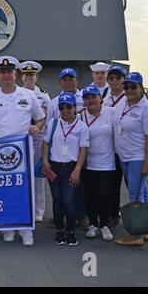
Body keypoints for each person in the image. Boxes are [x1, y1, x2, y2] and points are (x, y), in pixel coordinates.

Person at [0, 56, 45, 246]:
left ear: (15, 74)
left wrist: (36, 128)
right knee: (4, 189)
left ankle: (26, 230)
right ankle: (7, 227)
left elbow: (40, 118)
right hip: (0, 152)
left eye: (10, 71)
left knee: (24, 190)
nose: (6, 75)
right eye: (3, 72)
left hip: (24, 151)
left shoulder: (28, 95)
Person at [113, 73, 148, 246]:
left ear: (141, 88)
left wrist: (147, 163)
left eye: (133, 87)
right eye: (126, 87)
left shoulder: (147, 108)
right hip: (126, 156)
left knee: (135, 194)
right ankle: (146, 228)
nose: (129, 90)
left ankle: (136, 234)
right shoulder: (123, 103)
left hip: (139, 157)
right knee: (143, 193)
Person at [42, 93, 89, 246]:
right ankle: (59, 231)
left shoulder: (81, 127)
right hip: (54, 166)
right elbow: (45, 143)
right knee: (57, 200)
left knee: (69, 201)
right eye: (62, 108)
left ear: (75, 108)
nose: (66, 110)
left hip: (71, 168)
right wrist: (45, 161)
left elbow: (83, 150)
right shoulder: (54, 123)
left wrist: (77, 169)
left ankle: (70, 231)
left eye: (69, 107)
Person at [80, 85, 115, 241]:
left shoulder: (111, 113)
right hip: (87, 163)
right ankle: (93, 224)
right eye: (87, 98)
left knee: (104, 195)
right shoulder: (80, 116)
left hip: (107, 163)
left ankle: (105, 225)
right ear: (84, 101)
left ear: (100, 98)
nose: (91, 100)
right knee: (90, 195)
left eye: (94, 97)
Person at [19, 61, 51, 223]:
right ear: (21, 76)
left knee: (38, 176)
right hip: (20, 140)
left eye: (32, 75)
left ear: (37, 76)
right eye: (26, 74)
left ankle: (39, 210)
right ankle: (24, 207)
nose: (29, 78)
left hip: (38, 139)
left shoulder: (44, 97)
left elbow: (49, 120)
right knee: (21, 175)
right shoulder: (16, 95)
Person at [103, 66, 128, 227]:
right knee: (113, 184)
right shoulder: (104, 95)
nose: (114, 81)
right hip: (110, 148)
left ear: (123, 79)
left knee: (134, 186)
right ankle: (113, 214)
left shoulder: (130, 96)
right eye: (111, 78)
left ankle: (141, 219)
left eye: (117, 78)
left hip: (127, 148)